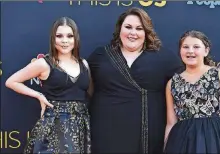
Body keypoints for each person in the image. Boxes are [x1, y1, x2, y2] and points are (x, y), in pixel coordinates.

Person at [87, 7, 180, 153]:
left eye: (139, 28)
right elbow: (82, 85)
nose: (133, 33)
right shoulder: (101, 56)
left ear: (146, 32)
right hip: (105, 134)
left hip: (147, 136)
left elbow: (187, 82)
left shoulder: (163, 57)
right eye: (128, 27)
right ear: (119, 29)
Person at [5, 17, 92, 154]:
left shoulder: (84, 64)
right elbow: (11, 81)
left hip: (80, 126)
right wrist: (38, 95)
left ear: (76, 38)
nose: (64, 41)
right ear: (53, 38)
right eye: (59, 36)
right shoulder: (44, 64)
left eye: (70, 36)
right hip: (53, 127)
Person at [164, 30, 220, 153]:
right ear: (180, 51)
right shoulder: (172, 83)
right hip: (184, 143)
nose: (190, 51)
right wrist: (166, 148)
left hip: (217, 141)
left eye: (196, 47)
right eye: (185, 47)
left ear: (206, 51)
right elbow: (171, 122)